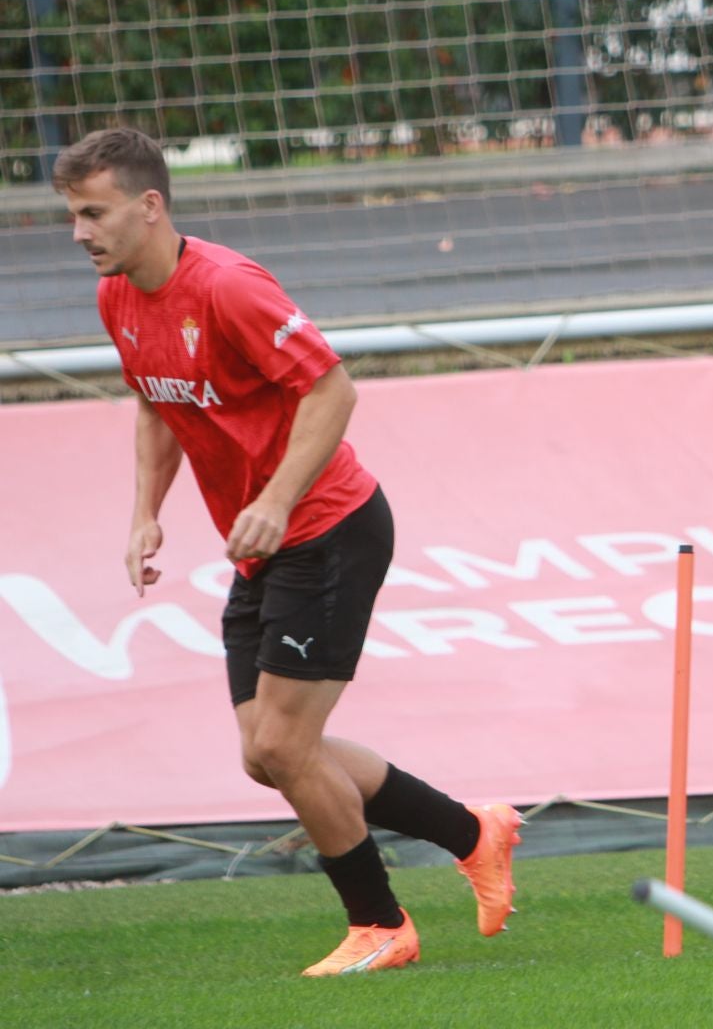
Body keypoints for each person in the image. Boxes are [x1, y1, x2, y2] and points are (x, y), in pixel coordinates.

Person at [55, 128, 523, 974]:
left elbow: (332, 388)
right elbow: (157, 405)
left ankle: (382, 927)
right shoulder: (118, 297)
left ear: (149, 206)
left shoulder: (228, 287)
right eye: (74, 216)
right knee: (267, 753)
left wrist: (275, 499)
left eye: (94, 213)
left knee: (281, 746)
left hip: (330, 530)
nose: (80, 232)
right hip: (262, 545)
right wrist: (144, 515)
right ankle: (472, 832)